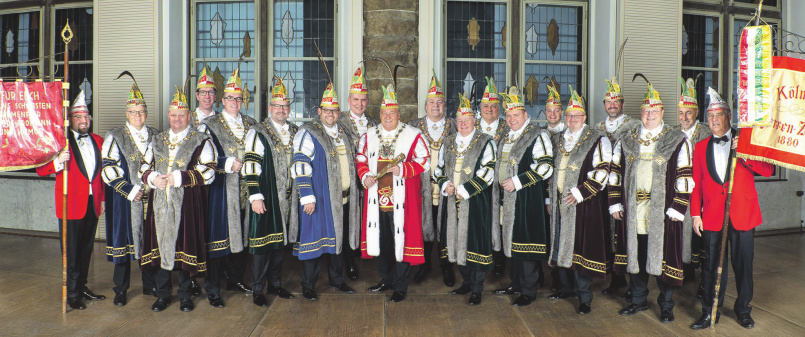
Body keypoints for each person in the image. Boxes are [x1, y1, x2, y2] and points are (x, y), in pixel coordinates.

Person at [609, 74, 693, 323]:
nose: (648, 116)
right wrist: (615, 202)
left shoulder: (676, 138)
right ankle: (637, 300)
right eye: (645, 111)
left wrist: (678, 207)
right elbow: (615, 172)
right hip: (633, 210)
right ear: (641, 112)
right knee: (637, 254)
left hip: (663, 211)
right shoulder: (627, 139)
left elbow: (685, 174)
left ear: (662, 111)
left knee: (664, 256)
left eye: (653, 111)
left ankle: (666, 304)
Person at [688, 88, 773, 330]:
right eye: (710, 115)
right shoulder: (701, 146)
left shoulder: (746, 139)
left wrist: (745, 153)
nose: (714, 120)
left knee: (744, 266)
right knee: (712, 267)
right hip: (713, 216)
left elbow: (767, 170)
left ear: (728, 115)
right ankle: (710, 311)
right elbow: (696, 185)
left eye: (718, 115)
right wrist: (696, 214)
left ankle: (743, 309)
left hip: (743, 215)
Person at [139, 86, 216, 312]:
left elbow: (210, 170)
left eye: (181, 115)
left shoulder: (201, 140)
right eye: (173, 115)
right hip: (160, 205)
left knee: (184, 248)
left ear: (189, 116)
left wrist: (181, 177)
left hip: (188, 204)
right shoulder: (158, 139)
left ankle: (184, 295)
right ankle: (163, 295)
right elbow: (143, 167)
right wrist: (152, 178)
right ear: (168, 116)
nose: (177, 119)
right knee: (162, 247)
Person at [358, 79, 429, 303]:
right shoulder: (369, 135)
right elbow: (360, 158)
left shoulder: (413, 134)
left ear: (399, 114)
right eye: (384, 114)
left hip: (402, 199)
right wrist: (365, 175)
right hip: (376, 198)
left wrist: (405, 168)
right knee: (383, 240)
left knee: (401, 240)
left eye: (392, 114)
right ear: (380, 114)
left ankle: (400, 285)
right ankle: (385, 279)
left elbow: (425, 161)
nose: (388, 117)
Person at [37, 90, 106, 310]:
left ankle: (82, 286)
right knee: (71, 251)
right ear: (70, 120)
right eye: (79, 117)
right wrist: (57, 161)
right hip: (70, 205)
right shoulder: (60, 142)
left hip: (93, 203)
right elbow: (40, 169)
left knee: (86, 249)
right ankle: (72, 292)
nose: (84, 121)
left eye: (86, 117)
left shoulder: (98, 140)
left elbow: (103, 173)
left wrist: (102, 198)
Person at [290, 81, 359, 301]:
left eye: (334, 110)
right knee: (315, 240)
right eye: (326, 110)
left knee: (338, 239)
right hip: (319, 198)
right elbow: (300, 163)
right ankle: (308, 284)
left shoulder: (344, 132)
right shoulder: (308, 132)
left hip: (344, 198)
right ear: (319, 111)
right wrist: (307, 196)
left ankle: (337, 280)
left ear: (339, 112)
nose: (330, 114)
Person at [546, 87, 612, 315]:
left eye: (577, 116)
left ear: (584, 117)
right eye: (569, 116)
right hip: (558, 202)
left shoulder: (597, 138)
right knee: (560, 245)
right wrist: (549, 197)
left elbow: (603, 170)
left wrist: (581, 192)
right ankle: (565, 288)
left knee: (579, 248)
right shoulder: (558, 139)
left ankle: (584, 296)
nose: (572, 120)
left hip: (583, 203)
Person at [490, 86, 554, 307]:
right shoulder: (506, 135)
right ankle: (516, 283)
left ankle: (529, 290)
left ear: (525, 115)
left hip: (526, 199)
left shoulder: (538, 135)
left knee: (526, 243)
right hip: (506, 200)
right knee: (511, 241)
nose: (511, 119)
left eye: (515, 115)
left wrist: (518, 182)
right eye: (507, 115)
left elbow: (546, 167)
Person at [200, 68, 256, 308]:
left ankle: (235, 279)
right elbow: (200, 158)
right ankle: (212, 287)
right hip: (221, 191)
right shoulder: (209, 124)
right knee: (219, 237)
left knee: (243, 234)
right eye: (230, 98)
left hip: (248, 189)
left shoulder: (252, 123)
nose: (235, 102)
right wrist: (225, 163)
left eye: (239, 98)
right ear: (222, 101)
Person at [101, 73, 159, 306]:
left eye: (142, 111)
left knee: (149, 241)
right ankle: (121, 289)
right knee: (123, 244)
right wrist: (129, 189)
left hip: (152, 198)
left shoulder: (156, 135)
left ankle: (150, 283)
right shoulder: (115, 136)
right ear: (127, 114)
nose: (138, 116)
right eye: (134, 112)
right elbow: (108, 168)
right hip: (126, 200)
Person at [434, 92, 497, 306]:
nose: (462, 124)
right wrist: (444, 184)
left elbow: (488, 172)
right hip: (452, 202)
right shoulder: (449, 141)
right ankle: (466, 282)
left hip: (475, 201)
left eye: (466, 121)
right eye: (459, 121)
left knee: (474, 242)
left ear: (474, 122)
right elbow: (439, 169)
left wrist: (466, 189)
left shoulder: (485, 142)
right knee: (455, 239)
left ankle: (477, 288)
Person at [244, 77, 299, 306]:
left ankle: (275, 284)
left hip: (288, 196)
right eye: (277, 106)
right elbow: (250, 164)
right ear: (270, 108)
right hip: (266, 195)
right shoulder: (258, 132)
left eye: (285, 106)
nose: (282, 110)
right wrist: (255, 196)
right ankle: (258, 288)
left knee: (280, 242)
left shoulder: (295, 131)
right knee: (262, 244)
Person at [596, 63, 640, 300]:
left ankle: (634, 281)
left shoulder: (634, 126)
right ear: (605, 105)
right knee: (607, 233)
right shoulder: (597, 128)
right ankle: (615, 277)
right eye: (608, 103)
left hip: (624, 188)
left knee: (626, 233)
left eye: (616, 102)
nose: (612, 106)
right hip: (602, 189)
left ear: (622, 104)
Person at [408, 71, 457, 287]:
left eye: (439, 102)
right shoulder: (413, 126)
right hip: (422, 188)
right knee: (424, 228)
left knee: (447, 230)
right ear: (425, 106)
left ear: (445, 106)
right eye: (431, 102)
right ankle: (424, 266)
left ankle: (447, 269)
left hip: (448, 189)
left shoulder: (456, 126)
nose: (435, 106)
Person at [335, 66, 378, 280]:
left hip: (370, 180)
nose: (359, 104)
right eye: (355, 100)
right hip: (348, 179)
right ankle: (348, 261)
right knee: (347, 220)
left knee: (367, 218)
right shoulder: (339, 121)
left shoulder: (373, 123)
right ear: (349, 99)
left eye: (363, 100)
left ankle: (367, 254)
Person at [675, 76, 712, 289]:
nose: (684, 117)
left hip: (702, 194)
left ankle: (705, 283)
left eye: (688, 112)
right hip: (679, 194)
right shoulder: (672, 133)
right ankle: (685, 272)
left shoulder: (707, 132)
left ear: (696, 112)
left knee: (703, 238)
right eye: (681, 112)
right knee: (681, 234)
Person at [476, 77, 509, 278]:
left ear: (500, 109)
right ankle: (479, 259)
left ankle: (499, 263)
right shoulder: (470, 127)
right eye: (486, 106)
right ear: (479, 108)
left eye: (494, 106)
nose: (489, 109)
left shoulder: (508, 128)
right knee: (480, 221)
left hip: (500, 185)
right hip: (477, 184)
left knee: (500, 222)